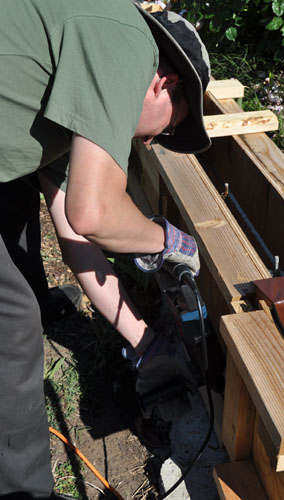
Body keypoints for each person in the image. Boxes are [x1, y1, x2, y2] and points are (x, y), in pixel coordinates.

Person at [0, 0, 211, 498]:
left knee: (15, 217)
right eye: (170, 126)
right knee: (13, 332)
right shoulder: (127, 40)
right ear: (166, 82)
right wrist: (167, 241)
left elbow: (77, 232)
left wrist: (146, 345)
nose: (155, 141)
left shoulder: (83, 75)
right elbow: (95, 214)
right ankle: (25, 491)